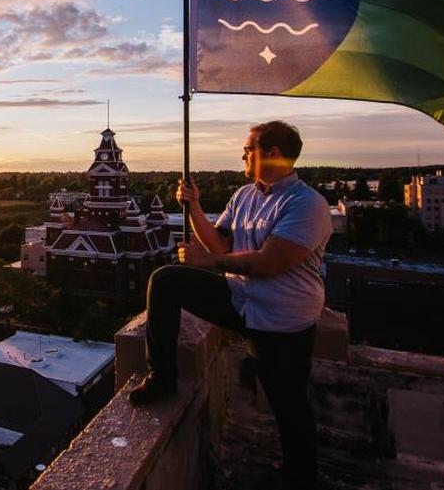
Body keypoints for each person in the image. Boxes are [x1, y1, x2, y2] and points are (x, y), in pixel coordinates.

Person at [128, 120, 331, 490]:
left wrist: (209, 263)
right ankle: (163, 376)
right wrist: (193, 206)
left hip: (281, 319)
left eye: (248, 148)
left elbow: (269, 263)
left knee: (289, 409)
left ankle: (300, 480)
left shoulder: (308, 204)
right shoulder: (244, 196)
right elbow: (220, 245)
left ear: (271, 154)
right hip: (240, 300)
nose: (243, 155)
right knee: (167, 280)